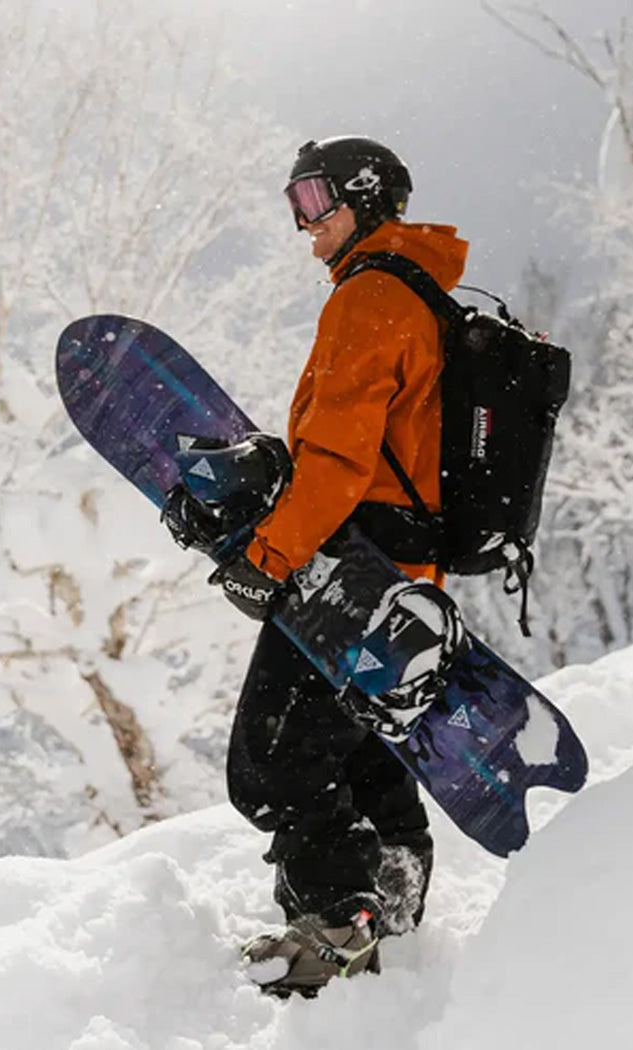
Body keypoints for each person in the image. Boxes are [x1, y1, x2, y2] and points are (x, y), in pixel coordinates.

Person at [213, 136, 469, 995]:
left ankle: (334, 927)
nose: (306, 222)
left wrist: (267, 557)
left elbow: (337, 458)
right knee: (350, 742)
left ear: (364, 197)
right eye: (296, 204)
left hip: (352, 574)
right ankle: (389, 891)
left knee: (273, 759)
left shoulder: (372, 296)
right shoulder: (418, 291)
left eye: (318, 200)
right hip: (401, 571)